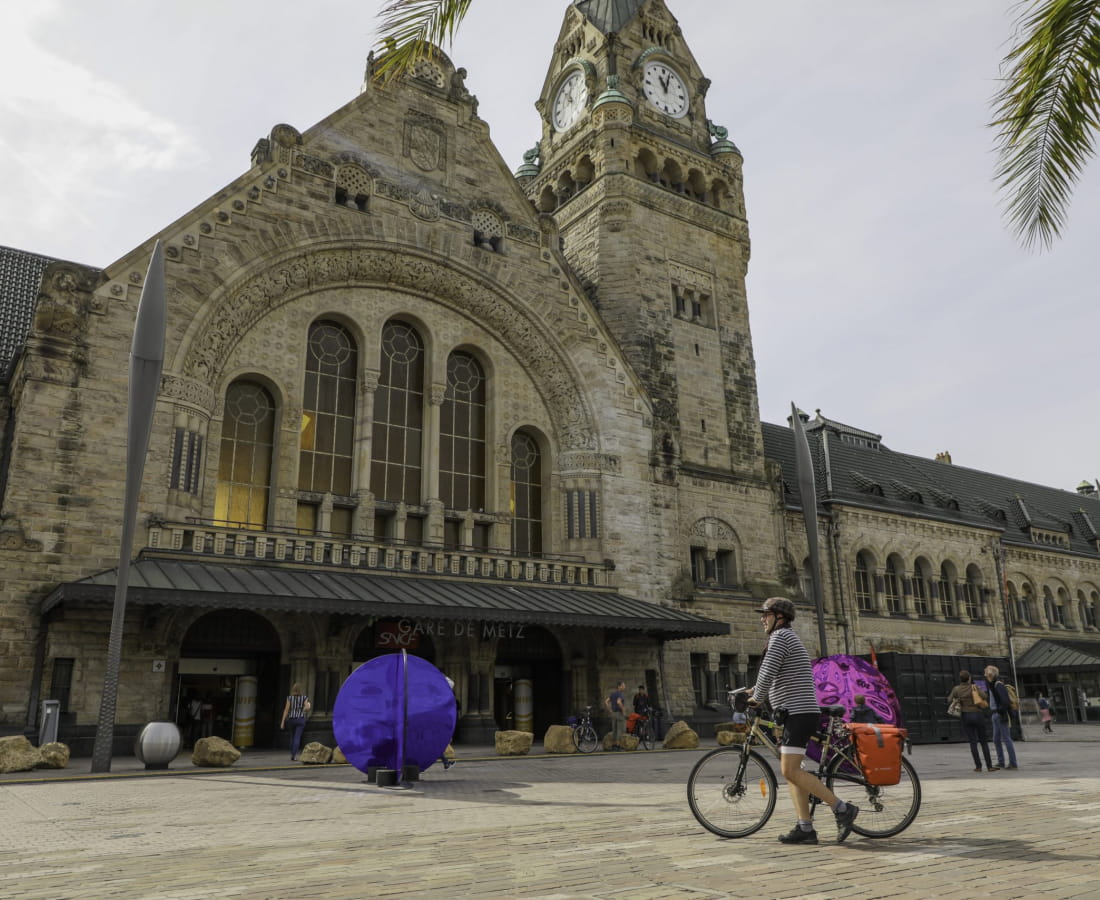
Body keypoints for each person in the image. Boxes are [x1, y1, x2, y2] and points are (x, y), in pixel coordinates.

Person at [748, 597, 859, 844]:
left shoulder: (781, 637)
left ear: (779, 617)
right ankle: (805, 828)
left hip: (799, 713)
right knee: (793, 772)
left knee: (789, 769)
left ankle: (842, 809)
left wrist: (756, 696)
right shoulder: (783, 638)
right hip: (794, 713)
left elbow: (767, 671)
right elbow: (774, 673)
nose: (762, 618)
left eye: (765, 614)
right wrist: (751, 691)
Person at [948, 671, 997, 772]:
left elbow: (949, 700)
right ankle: (989, 766)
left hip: (966, 716)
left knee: (972, 742)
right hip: (977, 714)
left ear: (960, 679)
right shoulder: (974, 687)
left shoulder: (956, 689)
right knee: (983, 742)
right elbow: (984, 696)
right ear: (969, 678)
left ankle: (978, 766)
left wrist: (958, 699)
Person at [983, 666, 1018, 770]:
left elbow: (1005, 701)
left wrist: (1000, 711)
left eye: (986, 671)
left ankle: (1013, 763)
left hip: (1000, 714)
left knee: (1006, 738)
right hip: (995, 714)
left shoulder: (999, 685)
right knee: (996, 739)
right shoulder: (993, 684)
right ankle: (1001, 761)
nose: (984, 673)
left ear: (991, 673)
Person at [280, 683, 311, 761]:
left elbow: (286, 710)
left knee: (292, 737)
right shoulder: (304, 698)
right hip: (300, 719)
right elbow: (306, 708)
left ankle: (292, 753)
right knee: (297, 737)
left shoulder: (289, 698)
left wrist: (282, 722)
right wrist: (308, 705)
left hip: (291, 719)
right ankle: (294, 755)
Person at [605, 680, 626, 749]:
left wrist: (610, 710)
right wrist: (623, 710)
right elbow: (619, 702)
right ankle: (618, 745)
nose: (624, 687)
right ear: (619, 686)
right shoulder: (620, 694)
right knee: (620, 729)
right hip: (619, 713)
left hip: (613, 713)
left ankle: (614, 745)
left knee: (614, 729)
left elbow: (606, 701)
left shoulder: (613, 694)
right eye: (623, 686)